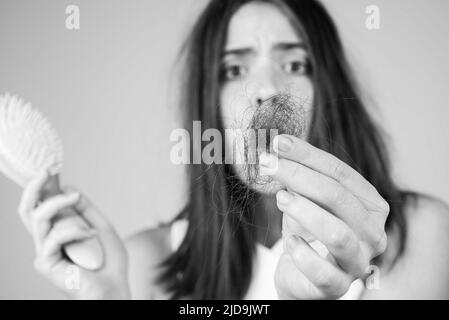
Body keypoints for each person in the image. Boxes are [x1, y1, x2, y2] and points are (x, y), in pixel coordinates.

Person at [18, 0, 449, 300]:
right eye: (234, 68)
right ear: (209, 106)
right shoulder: (142, 266)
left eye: (296, 64)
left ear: (329, 91)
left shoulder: (426, 237)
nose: (265, 89)